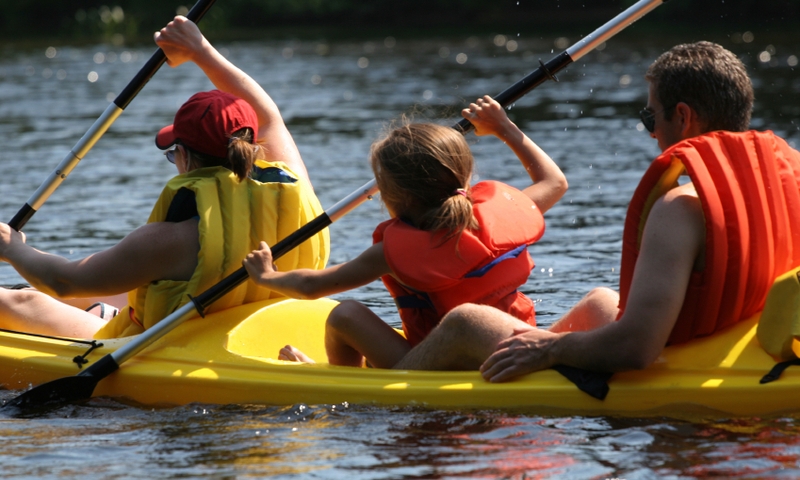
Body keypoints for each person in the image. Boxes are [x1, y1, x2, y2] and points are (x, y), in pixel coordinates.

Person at [389, 41, 800, 379]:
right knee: (603, 299)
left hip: (663, 368)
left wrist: (551, 348)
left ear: (682, 116)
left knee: (467, 321)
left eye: (649, 117)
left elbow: (636, 348)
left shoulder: (681, 208)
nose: (653, 131)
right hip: (738, 348)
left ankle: (387, 384)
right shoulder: (789, 183)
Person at [0, 16, 329, 339]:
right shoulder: (293, 185)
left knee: (23, 300)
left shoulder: (168, 241)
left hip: (165, 344)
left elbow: (63, 280)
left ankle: (99, 316)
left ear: (184, 156)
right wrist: (200, 50)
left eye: (172, 154)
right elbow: (269, 118)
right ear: (251, 144)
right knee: (110, 290)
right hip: (271, 330)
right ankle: (101, 307)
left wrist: (14, 248)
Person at [242, 95, 568, 368]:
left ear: (392, 196)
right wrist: (504, 128)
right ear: (462, 174)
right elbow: (554, 182)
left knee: (345, 316)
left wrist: (266, 276)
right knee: (599, 303)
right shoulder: (499, 213)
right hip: (517, 341)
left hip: (439, 365)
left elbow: (312, 285)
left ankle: (341, 384)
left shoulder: (391, 251)